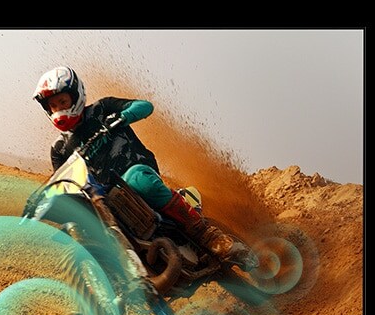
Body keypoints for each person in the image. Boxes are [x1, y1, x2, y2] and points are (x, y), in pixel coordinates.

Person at [33, 65, 239, 262]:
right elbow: (64, 182)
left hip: (136, 174)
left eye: (63, 101)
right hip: (104, 197)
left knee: (137, 178)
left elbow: (145, 106)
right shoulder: (59, 148)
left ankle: (208, 235)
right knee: (79, 226)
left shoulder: (102, 109)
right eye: (53, 105)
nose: (59, 109)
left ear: (75, 96)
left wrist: (122, 117)